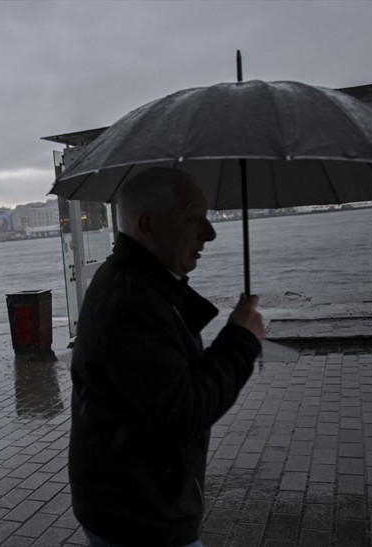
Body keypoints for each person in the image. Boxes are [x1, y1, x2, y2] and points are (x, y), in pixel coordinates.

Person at [68, 167, 265, 546]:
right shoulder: (131, 302)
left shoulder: (135, 283)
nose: (209, 232)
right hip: (140, 517)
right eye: (194, 218)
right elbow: (184, 412)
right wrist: (241, 340)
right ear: (147, 225)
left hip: (124, 502)